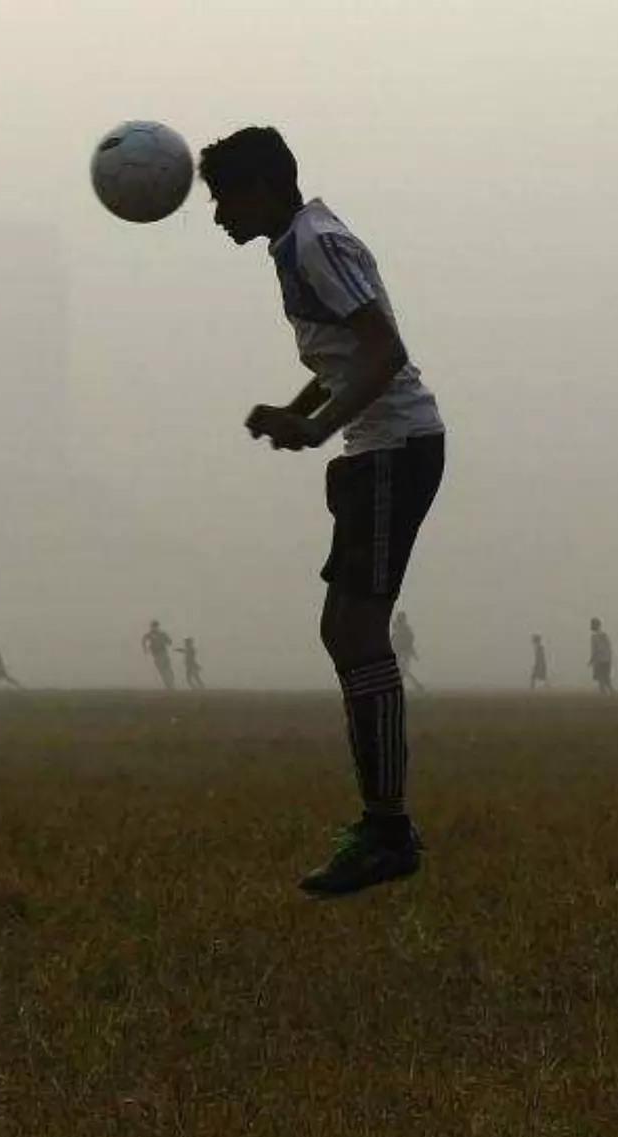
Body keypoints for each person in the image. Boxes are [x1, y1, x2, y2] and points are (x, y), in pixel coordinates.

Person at [203, 126, 445, 896]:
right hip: (375, 451)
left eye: (223, 199)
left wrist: (318, 425)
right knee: (344, 629)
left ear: (266, 187)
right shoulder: (298, 243)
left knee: (354, 629)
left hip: (393, 449)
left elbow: (385, 350)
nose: (217, 217)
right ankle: (383, 823)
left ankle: (387, 830)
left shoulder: (316, 242)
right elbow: (345, 354)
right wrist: (299, 405)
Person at [391, 610, 425, 691]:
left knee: (403, 671)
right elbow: (395, 641)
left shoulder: (406, 629)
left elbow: (409, 641)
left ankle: (417, 685)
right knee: (403, 671)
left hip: (404, 653)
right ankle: (417, 685)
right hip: (400, 654)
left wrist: (413, 653)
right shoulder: (400, 629)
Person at [141, 620, 176, 691]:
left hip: (163, 652)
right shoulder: (150, 635)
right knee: (162, 670)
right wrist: (145, 648)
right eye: (154, 626)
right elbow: (143, 640)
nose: (155, 628)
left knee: (167, 669)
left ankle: (171, 684)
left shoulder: (162, 634)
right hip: (157, 654)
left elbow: (169, 641)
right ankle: (168, 685)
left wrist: (167, 643)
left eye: (156, 626)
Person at [588, 617, 614, 694]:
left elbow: (595, 650)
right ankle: (609, 694)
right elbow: (609, 648)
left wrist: (592, 660)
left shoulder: (594, 637)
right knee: (605, 679)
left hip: (600, 660)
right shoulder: (605, 636)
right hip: (606, 659)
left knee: (602, 679)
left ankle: (609, 694)